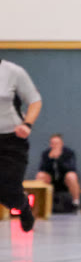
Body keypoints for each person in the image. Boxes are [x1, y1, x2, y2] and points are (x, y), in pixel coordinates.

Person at [0, 59, 42, 232]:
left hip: (12, 139)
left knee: (8, 189)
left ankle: (23, 207)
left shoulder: (13, 72)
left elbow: (35, 101)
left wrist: (27, 124)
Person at [36, 133, 81, 213]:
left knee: (72, 176)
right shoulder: (46, 154)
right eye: (53, 143)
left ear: (62, 144)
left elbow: (71, 168)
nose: (55, 145)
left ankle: (76, 202)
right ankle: (40, 204)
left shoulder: (69, 153)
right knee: (40, 175)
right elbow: (42, 168)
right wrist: (50, 159)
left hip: (64, 180)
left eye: (57, 143)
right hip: (51, 180)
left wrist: (59, 159)